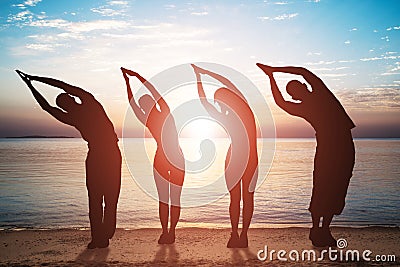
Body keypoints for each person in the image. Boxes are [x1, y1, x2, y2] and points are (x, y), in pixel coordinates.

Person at [16, 70, 121, 249]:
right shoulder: (76, 115)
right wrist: (31, 83)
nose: (67, 106)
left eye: (66, 102)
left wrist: (34, 80)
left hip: (109, 154)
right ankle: (99, 238)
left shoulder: (89, 103)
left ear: (72, 99)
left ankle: (104, 234)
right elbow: (48, 106)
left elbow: (59, 91)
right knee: (96, 199)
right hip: (98, 155)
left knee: (109, 198)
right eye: (65, 105)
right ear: (68, 105)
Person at [257, 63, 355, 247]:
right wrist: (271, 76)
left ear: (304, 85)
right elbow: (281, 102)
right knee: (322, 186)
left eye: (299, 86)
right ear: (296, 95)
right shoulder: (305, 106)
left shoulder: (320, 92)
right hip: (329, 148)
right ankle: (316, 228)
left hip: (343, 145)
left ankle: (324, 230)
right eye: (296, 91)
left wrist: (273, 71)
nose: (300, 89)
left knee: (338, 185)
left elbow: (303, 72)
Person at [191, 64, 258, 248]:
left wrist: (200, 75)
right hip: (247, 158)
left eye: (219, 101)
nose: (218, 105)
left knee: (238, 198)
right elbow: (224, 85)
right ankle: (240, 235)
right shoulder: (245, 110)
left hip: (237, 158)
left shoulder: (229, 114)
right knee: (243, 198)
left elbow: (206, 99)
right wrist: (203, 74)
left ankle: (237, 234)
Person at [121, 67, 185, 244]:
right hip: (174, 158)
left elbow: (133, 101)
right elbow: (150, 93)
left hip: (166, 159)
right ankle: (169, 232)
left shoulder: (151, 117)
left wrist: (130, 81)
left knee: (166, 199)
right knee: (171, 199)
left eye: (144, 105)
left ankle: (167, 232)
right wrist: (135, 77)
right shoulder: (164, 111)